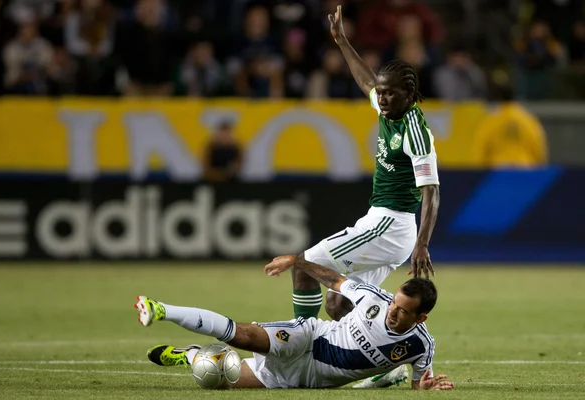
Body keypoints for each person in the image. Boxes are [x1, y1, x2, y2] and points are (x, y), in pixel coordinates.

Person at [290, 5, 440, 332]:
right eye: (381, 93)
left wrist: (423, 244)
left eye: (389, 94)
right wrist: (342, 40)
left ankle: (296, 342)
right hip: (381, 223)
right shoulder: (389, 109)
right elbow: (365, 81)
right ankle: (387, 360)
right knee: (339, 304)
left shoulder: (415, 132)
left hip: (391, 225)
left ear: (409, 95)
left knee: (305, 264)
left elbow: (432, 192)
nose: (381, 99)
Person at [134, 254, 454, 391]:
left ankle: (188, 354)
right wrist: (297, 262)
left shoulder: (420, 346)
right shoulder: (374, 299)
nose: (392, 312)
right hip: (307, 338)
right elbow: (334, 279)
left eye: (402, 311)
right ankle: (161, 308)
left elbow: (418, 383)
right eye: (394, 303)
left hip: (307, 378)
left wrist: (424, 387)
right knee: (242, 336)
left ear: (420, 317)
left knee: (217, 378)